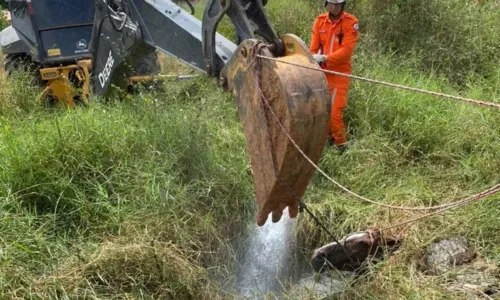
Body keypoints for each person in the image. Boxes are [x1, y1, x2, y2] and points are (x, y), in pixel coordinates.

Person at [309, 0, 359, 153]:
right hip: (321, 73)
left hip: (340, 74)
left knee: (334, 113)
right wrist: (313, 57)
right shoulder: (320, 21)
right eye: (330, 3)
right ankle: (329, 140)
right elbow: (313, 47)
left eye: (336, 4)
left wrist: (326, 58)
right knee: (321, 110)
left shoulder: (351, 22)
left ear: (343, 5)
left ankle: (342, 147)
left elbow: (346, 51)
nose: (333, 7)